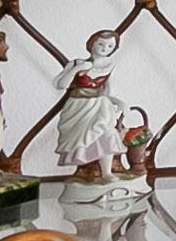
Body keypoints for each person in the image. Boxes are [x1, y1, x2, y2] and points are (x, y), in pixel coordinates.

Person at [54, 28, 127, 183]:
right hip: (78, 106)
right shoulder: (77, 63)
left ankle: (106, 173)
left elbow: (108, 91)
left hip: (100, 106)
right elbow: (61, 84)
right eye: (101, 44)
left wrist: (118, 102)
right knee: (81, 139)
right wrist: (77, 69)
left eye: (110, 46)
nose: (104, 48)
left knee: (107, 134)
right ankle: (85, 170)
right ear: (92, 43)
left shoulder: (109, 65)